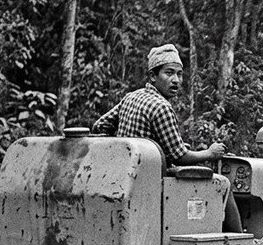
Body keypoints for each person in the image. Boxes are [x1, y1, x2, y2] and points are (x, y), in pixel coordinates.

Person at [94, 44, 242, 233]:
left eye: (179, 74)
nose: (176, 80)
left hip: (128, 179)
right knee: (224, 183)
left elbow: (100, 126)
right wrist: (210, 153)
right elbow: (181, 157)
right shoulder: (161, 107)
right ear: (152, 76)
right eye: (169, 73)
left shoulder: (130, 97)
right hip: (155, 182)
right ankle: (241, 242)